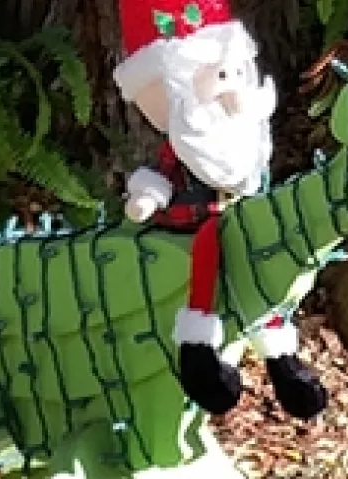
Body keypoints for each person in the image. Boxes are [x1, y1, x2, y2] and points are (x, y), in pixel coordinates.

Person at [112, 0, 328, 420]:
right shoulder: (185, 147)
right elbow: (158, 177)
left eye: (233, 76)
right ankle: (198, 351)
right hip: (199, 221)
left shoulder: (245, 144)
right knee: (210, 249)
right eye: (212, 79)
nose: (228, 91)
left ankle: (282, 361)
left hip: (245, 216)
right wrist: (147, 197)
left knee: (266, 262)